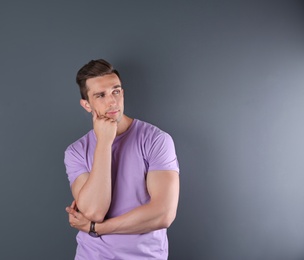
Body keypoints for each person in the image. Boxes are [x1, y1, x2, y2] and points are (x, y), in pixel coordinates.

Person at [64, 59, 180, 259]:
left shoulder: (156, 140)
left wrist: (96, 228)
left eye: (116, 91)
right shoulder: (75, 151)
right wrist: (104, 142)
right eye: (100, 95)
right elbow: (93, 212)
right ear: (86, 105)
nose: (112, 101)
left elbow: (163, 214)